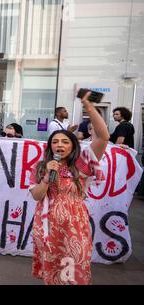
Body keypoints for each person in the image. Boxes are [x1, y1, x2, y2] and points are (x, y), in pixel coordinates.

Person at [29, 91, 109, 285]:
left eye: (65, 142)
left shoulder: (81, 164)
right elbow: (37, 196)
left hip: (75, 226)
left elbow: (104, 137)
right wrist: (47, 177)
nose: (59, 145)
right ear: (50, 147)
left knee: (74, 269)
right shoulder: (40, 167)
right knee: (54, 271)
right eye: (55, 142)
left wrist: (89, 107)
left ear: (73, 147)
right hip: (48, 227)